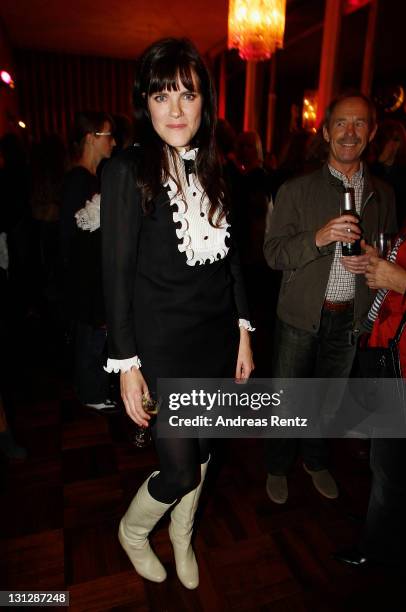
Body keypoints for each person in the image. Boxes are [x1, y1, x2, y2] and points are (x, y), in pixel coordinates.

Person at [101, 38, 254, 588]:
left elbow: (232, 258)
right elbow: (115, 275)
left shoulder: (219, 166)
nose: (175, 109)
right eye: (162, 95)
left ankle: (182, 536)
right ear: (145, 102)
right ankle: (135, 532)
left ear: (204, 102)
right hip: (161, 346)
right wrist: (127, 364)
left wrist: (242, 330)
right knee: (180, 466)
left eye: (187, 95)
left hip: (214, 336)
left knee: (207, 446)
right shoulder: (126, 171)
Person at [263, 93, 397, 505]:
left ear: (372, 133)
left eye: (359, 124)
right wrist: (319, 238)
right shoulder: (296, 190)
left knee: (328, 399)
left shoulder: (383, 194)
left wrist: (378, 260)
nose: (350, 132)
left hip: (350, 319)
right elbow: (273, 253)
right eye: (341, 123)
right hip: (301, 316)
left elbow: (391, 253)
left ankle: (316, 459)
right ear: (325, 131)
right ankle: (278, 465)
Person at [334, 224, 406, 567]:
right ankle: (382, 525)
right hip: (392, 351)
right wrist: (382, 262)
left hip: (404, 364)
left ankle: (376, 547)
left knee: (388, 463)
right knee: (387, 460)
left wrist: (402, 281)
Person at [60, 111, 117, 411]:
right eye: (108, 135)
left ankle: (93, 388)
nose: (114, 142)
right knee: (90, 336)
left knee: (95, 335)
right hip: (85, 279)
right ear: (91, 139)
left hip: (93, 277)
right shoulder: (77, 181)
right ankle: (90, 392)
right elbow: (72, 240)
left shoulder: (94, 178)